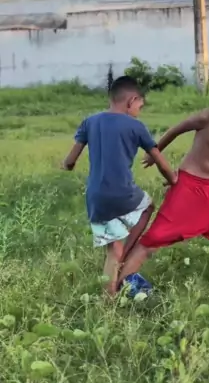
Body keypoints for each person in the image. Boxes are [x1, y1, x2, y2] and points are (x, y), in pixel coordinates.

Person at [114, 74, 209, 293]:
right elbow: (175, 130)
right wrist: (156, 153)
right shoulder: (206, 117)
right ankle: (117, 287)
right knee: (152, 240)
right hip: (189, 185)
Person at [62, 75, 177, 296]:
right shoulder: (136, 126)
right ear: (131, 100)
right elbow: (160, 161)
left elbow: (70, 161)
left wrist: (66, 165)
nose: (139, 111)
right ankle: (126, 255)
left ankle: (109, 302)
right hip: (124, 194)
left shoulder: (90, 121)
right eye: (140, 106)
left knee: (112, 252)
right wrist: (173, 180)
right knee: (148, 206)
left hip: (96, 198)